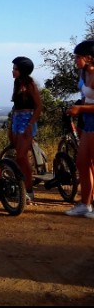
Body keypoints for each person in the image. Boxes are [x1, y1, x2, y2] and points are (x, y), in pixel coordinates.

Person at [65, 40, 94, 217]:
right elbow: (86, 97)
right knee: (82, 163)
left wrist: (80, 109)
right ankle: (85, 203)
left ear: (90, 58)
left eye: (78, 57)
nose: (76, 60)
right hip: (87, 120)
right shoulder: (83, 73)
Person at [10, 57, 42, 203]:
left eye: (15, 68)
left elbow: (38, 106)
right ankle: (23, 188)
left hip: (27, 120)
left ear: (22, 70)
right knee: (20, 157)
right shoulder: (17, 83)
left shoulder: (30, 84)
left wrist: (30, 125)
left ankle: (29, 190)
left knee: (21, 157)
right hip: (17, 119)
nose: (13, 70)